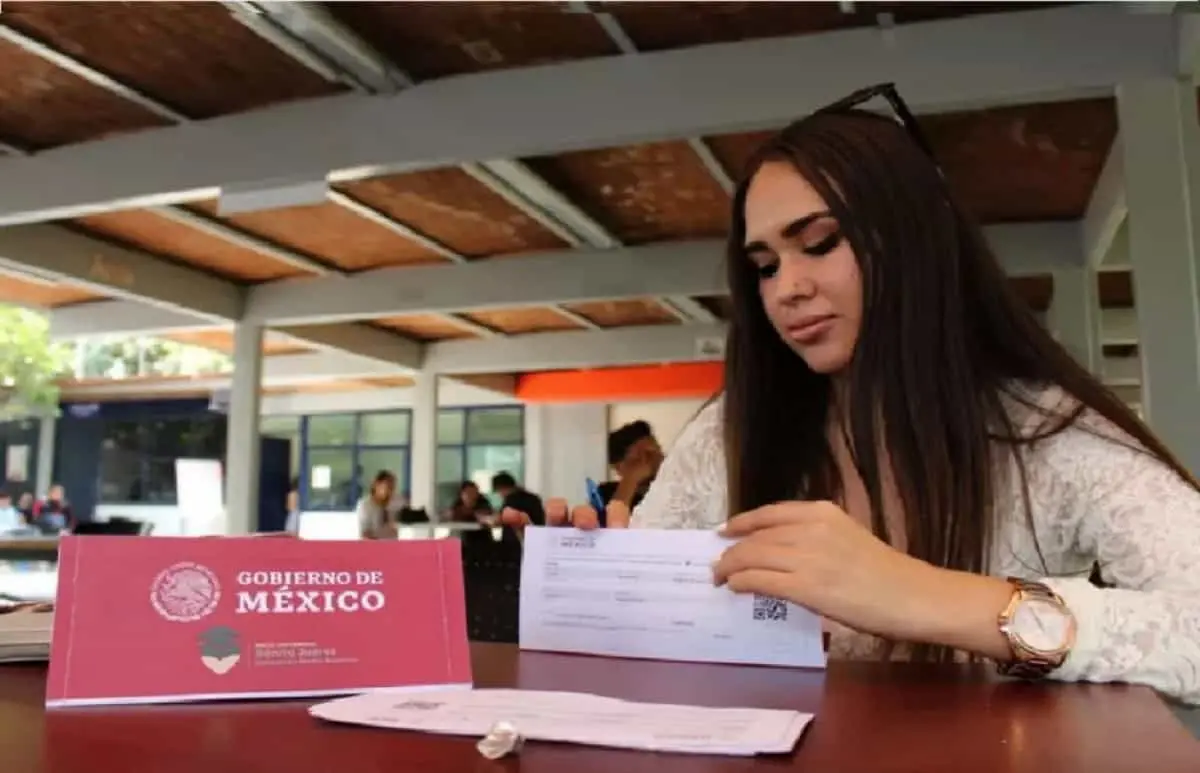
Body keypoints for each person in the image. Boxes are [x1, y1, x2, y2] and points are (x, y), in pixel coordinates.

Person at [550, 83, 1200, 705]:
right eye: (765, 266)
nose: (786, 289)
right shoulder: (728, 432)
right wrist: (600, 585)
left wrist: (922, 594)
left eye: (819, 243)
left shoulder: (1046, 433)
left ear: (913, 239)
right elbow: (654, 641)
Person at [597, 421, 664, 520]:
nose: (648, 462)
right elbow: (609, 528)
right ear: (618, 467)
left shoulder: (675, 488)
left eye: (651, 453)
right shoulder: (604, 493)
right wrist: (631, 479)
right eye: (637, 459)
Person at [355, 470, 399, 540]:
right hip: (373, 548)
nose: (390, 492)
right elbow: (365, 534)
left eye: (393, 488)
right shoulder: (365, 505)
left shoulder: (395, 504)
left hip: (394, 547)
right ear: (376, 485)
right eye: (388, 487)